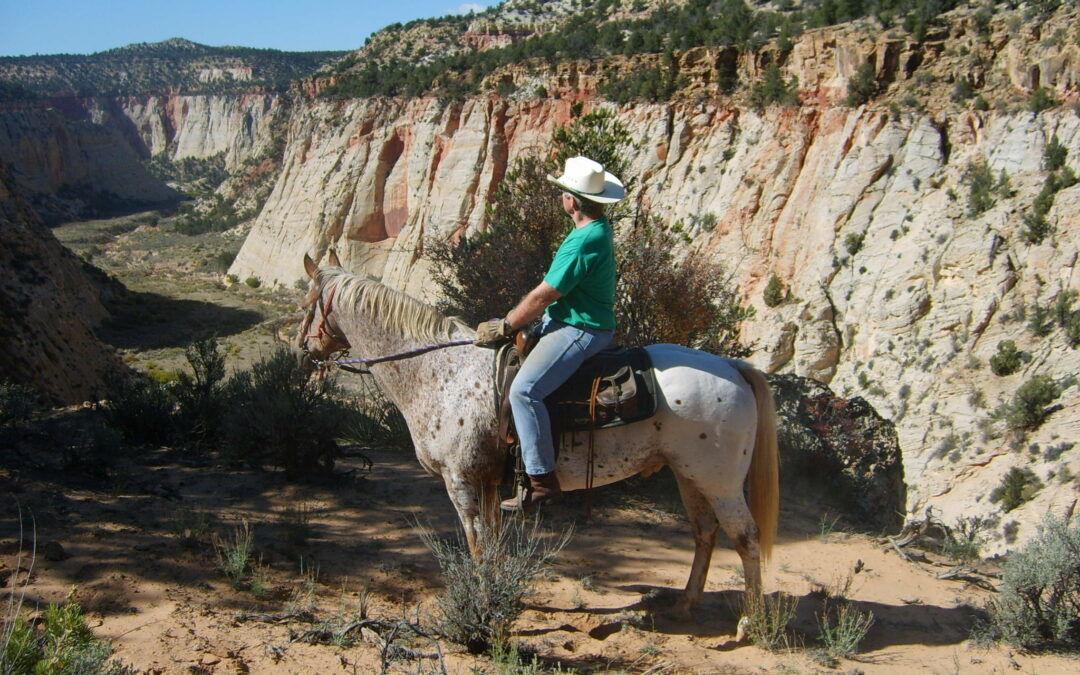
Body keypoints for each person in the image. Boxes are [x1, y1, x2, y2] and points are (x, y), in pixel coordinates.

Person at [475, 155, 625, 510]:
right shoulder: (595, 229)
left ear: (572, 201)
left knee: (526, 391)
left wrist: (506, 324)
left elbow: (544, 295)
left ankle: (541, 482)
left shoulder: (582, 241)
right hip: (574, 320)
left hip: (580, 328)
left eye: (563, 193)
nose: (561, 198)